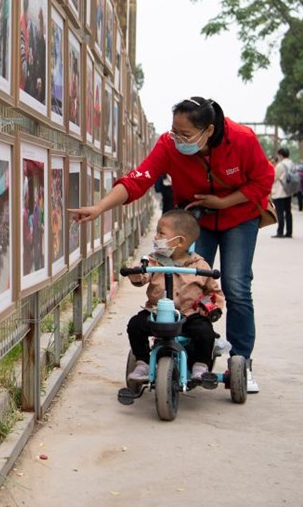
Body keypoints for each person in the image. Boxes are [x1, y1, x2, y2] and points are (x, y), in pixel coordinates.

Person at [69, 97, 273, 393]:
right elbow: (137, 180)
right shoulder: (169, 145)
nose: (177, 139)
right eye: (173, 131)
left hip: (240, 217)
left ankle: (241, 360)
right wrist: (101, 207)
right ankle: (187, 350)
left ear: (209, 130)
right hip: (194, 222)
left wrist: (224, 201)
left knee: (236, 285)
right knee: (181, 280)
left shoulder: (242, 139)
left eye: (185, 134)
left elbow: (262, 182)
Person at [126, 210, 225, 382]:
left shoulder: (200, 265)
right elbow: (142, 277)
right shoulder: (153, 261)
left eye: (161, 233)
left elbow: (213, 292)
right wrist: (136, 271)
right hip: (157, 313)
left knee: (205, 331)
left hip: (189, 315)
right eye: (157, 232)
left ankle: (200, 365)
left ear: (179, 241)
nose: (156, 237)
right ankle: (143, 362)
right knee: (135, 325)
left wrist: (211, 307)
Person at [271, 147, 294, 238]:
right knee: (288, 212)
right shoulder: (292, 164)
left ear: (281, 155)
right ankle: (289, 232)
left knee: (280, 212)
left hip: (279, 191)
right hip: (288, 191)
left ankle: (280, 231)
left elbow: (274, 177)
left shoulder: (280, 165)